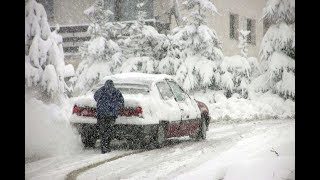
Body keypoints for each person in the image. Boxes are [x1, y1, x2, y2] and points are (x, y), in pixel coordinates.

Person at [94, 80, 124, 153]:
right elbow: (121, 101)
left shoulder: (101, 90)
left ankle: (103, 146)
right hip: (111, 115)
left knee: (102, 131)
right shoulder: (116, 91)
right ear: (113, 85)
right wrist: (116, 107)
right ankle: (107, 146)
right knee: (109, 130)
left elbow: (95, 97)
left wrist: (101, 104)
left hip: (101, 115)